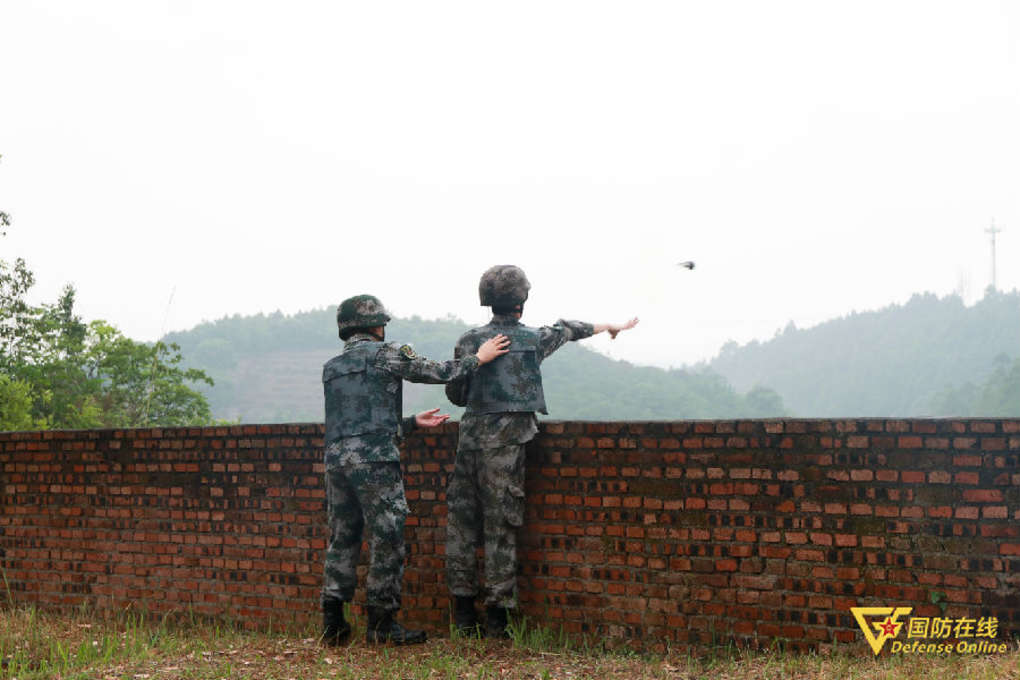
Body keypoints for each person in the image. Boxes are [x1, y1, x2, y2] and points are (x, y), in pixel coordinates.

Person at [444, 265, 638, 638]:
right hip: (508, 443)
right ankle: (498, 622)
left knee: (462, 527)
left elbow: (456, 394)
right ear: (522, 299)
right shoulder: (533, 339)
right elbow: (568, 329)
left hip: (469, 439)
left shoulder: (470, 341)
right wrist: (610, 326)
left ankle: (464, 617)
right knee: (501, 529)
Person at [320, 294, 509, 646]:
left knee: (342, 538)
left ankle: (333, 622)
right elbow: (438, 372)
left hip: (336, 462)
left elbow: (355, 422)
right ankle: (381, 624)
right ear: (377, 325)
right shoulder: (387, 353)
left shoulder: (332, 367)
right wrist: (478, 358)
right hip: (375, 462)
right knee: (387, 538)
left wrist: (409, 423)